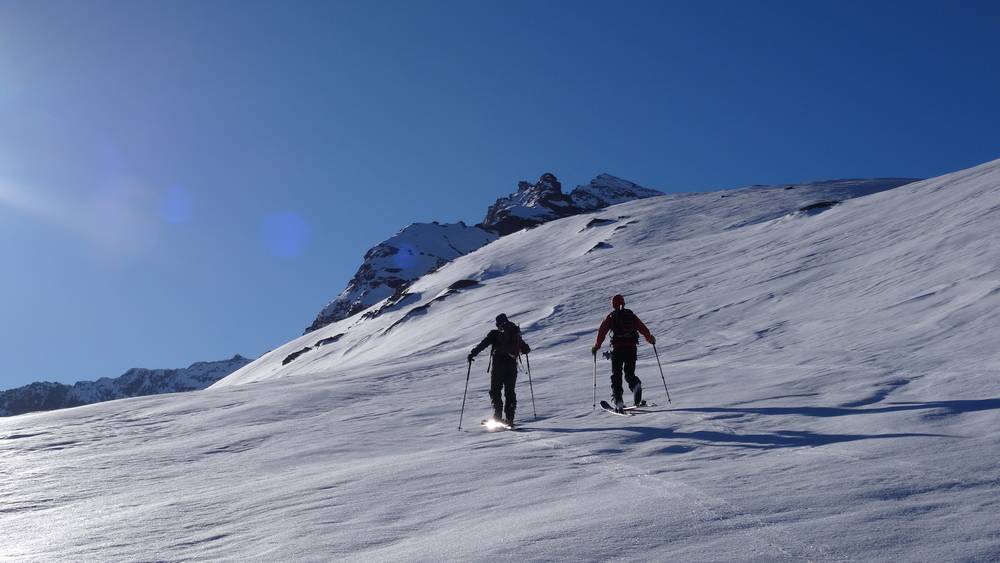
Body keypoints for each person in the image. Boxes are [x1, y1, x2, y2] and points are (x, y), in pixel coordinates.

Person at [591, 294, 655, 412]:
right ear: (623, 303)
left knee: (616, 375)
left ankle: (618, 400)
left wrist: (596, 346)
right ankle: (635, 385)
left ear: (613, 305)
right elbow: (642, 328)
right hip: (631, 348)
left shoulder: (611, 317)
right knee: (629, 373)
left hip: (618, 349)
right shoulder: (630, 315)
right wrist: (650, 338)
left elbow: (602, 332)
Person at [468, 313, 531, 426]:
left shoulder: (494, 334)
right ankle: (510, 419)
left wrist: (472, 354)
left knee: (495, 391)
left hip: (498, 367)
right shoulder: (515, 332)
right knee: (510, 392)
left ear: (497, 324)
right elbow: (526, 349)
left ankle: (497, 417)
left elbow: (483, 345)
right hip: (512, 367)